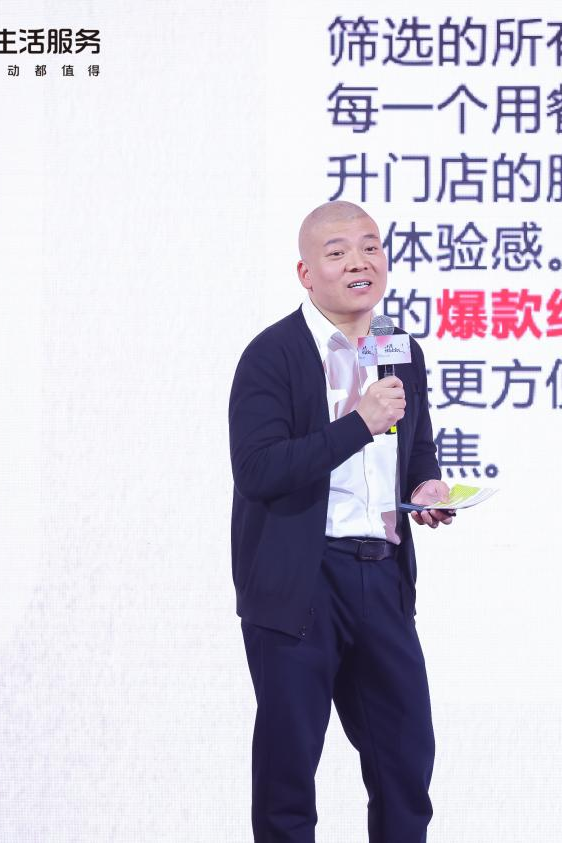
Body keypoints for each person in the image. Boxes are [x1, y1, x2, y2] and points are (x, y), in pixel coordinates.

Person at [228, 200, 453, 842]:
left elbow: (416, 448)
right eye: (338, 252)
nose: (359, 262)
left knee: (405, 762)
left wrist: (426, 487)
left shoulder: (398, 348)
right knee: (289, 773)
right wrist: (358, 424)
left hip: (381, 577)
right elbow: (259, 470)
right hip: (300, 586)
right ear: (306, 272)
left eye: (370, 247)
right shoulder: (272, 354)